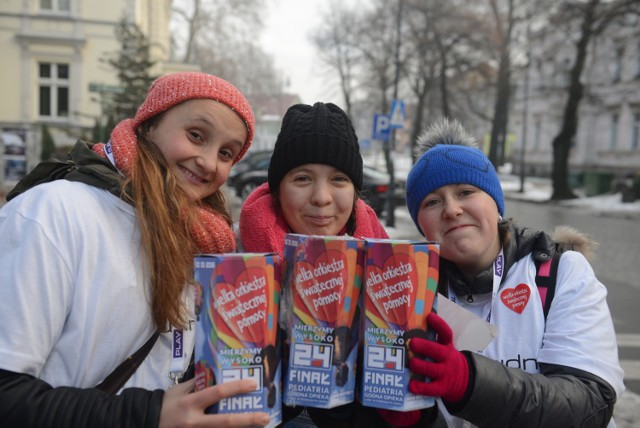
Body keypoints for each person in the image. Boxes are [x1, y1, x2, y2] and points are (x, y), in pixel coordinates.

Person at [0, 71, 271, 427]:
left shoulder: (197, 238)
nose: (208, 162)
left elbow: (164, 367)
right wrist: (149, 414)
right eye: (195, 135)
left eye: (226, 153)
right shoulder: (52, 212)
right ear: (149, 124)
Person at [382, 118, 624, 427]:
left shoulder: (561, 272)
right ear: (421, 225)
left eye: (466, 191)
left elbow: (590, 403)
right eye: (432, 201)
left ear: (496, 205)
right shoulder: (413, 296)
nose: (452, 209)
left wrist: (470, 382)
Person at [239, 102, 388, 426]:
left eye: (338, 179)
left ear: (355, 191)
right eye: (303, 178)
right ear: (278, 190)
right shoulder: (234, 264)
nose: (322, 197)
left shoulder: (392, 274)